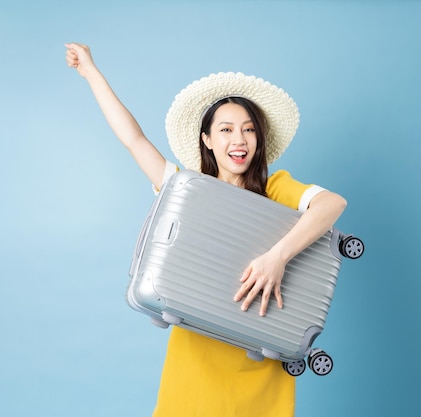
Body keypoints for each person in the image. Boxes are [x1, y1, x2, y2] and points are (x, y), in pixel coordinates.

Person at [65, 43, 347, 417]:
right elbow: (134, 140)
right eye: (226, 129)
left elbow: (333, 204)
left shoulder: (276, 189)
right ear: (207, 139)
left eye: (249, 130)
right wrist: (91, 73)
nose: (239, 140)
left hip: (261, 361)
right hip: (195, 358)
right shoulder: (189, 191)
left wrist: (276, 257)